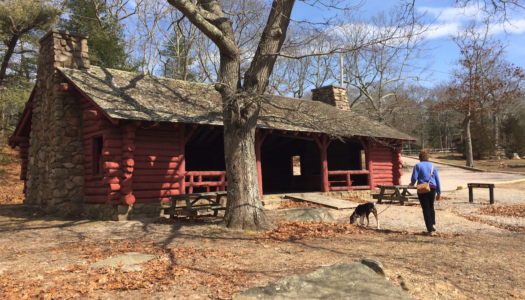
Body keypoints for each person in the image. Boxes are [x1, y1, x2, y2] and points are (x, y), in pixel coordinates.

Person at [409, 151, 441, 236]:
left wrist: (412, 183)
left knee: (425, 209)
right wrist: (439, 192)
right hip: (433, 188)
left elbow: (414, 178)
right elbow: (437, 180)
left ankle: (430, 229)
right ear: (427, 157)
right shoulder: (433, 166)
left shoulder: (417, 166)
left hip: (422, 188)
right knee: (431, 206)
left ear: (420, 157)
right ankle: (433, 223)